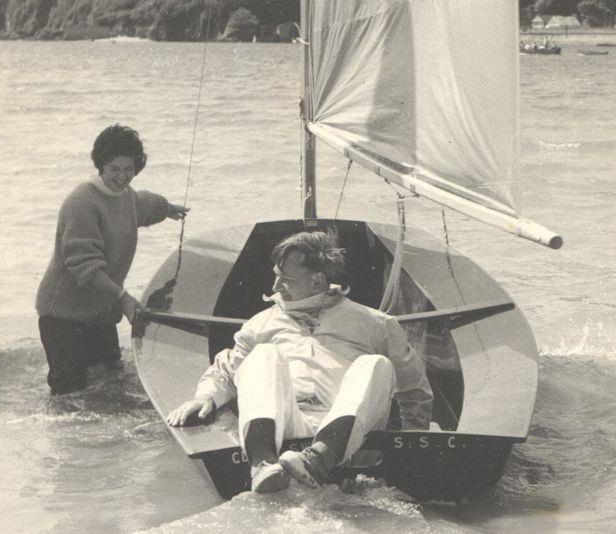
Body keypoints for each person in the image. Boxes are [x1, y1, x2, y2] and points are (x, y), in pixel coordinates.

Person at [167, 231, 433, 493]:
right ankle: (262, 464)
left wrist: (413, 449)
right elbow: (226, 370)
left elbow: (414, 390)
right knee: (263, 354)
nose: (275, 287)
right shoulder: (261, 323)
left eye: (286, 280)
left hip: (352, 437)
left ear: (317, 281)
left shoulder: (375, 324)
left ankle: (318, 459)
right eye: (276, 276)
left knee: (377, 364)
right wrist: (205, 398)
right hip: (288, 429)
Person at [36, 124, 188, 394]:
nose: (121, 177)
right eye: (113, 170)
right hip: (63, 316)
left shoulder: (126, 197)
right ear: (100, 166)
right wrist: (123, 297)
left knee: (112, 382)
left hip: (99, 314)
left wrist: (168, 209)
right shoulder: (82, 202)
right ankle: (62, 436)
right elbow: (86, 267)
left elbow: (145, 204)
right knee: (68, 394)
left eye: (128, 169)